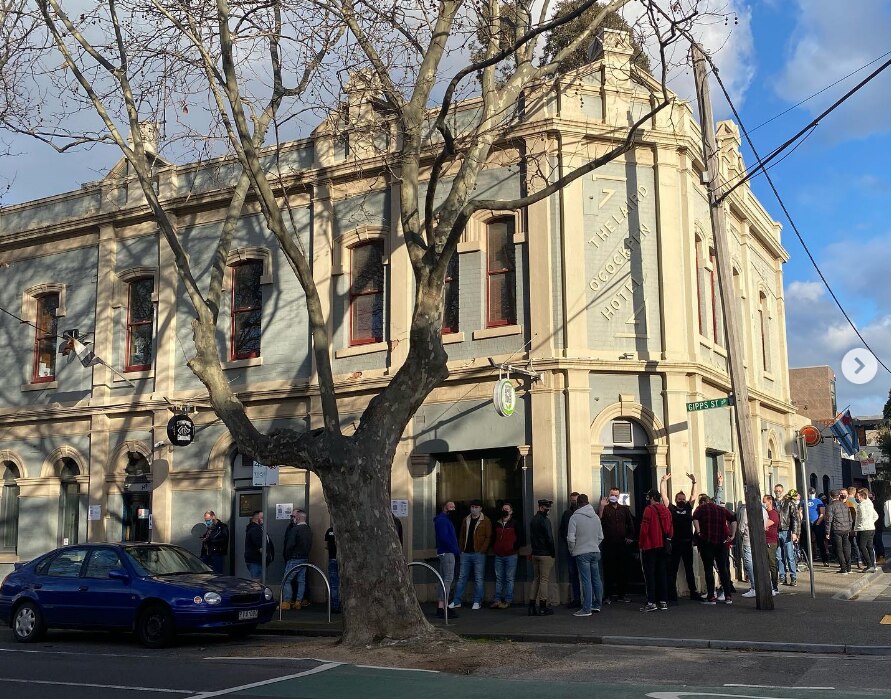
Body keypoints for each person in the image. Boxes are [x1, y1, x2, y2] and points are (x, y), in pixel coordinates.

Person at [659, 472, 701, 602]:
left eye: (683, 499)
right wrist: (663, 482)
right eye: (679, 499)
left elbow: (694, 496)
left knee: (689, 569)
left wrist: (694, 482)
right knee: (673, 570)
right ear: (676, 499)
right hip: (675, 543)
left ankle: (693, 592)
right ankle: (672, 594)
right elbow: (664, 496)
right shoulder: (671, 508)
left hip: (687, 543)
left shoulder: (688, 507)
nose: (682, 500)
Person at [692, 493, 737, 605]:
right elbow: (733, 519)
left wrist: (698, 531)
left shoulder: (701, 508)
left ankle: (711, 596)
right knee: (723, 569)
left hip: (707, 542)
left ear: (703, 502)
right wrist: (732, 535)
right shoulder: (721, 509)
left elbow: (695, 518)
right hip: (721, 543)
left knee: (708, 569)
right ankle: (728, 596)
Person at [449, 499, 492, 611]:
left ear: (480, 508)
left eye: (476, 507)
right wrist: (461, 549)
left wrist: (482, 550)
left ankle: (477, 601)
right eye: (472, 507)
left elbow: (488, 537)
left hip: (478, 553)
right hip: (466, 553)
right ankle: (457, 601)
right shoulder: (466, 519)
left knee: (478, 578)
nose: (474, 509)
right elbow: (462, 535)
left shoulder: (486, 520)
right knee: (461, 578)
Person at [567, 494, 604, 617]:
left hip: (582, 552)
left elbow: (570, 538)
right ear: (587, 502)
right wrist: (594, 545)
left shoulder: (574, 517)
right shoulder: (596, 517)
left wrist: (573, 550)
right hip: (595, 551)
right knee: (596, 579)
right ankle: (597, 604)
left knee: (586, 580)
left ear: (578, 503)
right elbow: (601, 536)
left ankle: (586, 608)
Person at [639, 488, 673, 612]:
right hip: (663, 546)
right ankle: (663, 601)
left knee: (650, 575)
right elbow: (670, 529)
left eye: (648, 497)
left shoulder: (649, 510)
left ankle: (651, 602)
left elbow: (644, 529)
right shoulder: (666, 510)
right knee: (662, 574)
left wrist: (641, 543)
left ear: (652, 498)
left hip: (650, 546)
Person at [599, 486, 635, 603]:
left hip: (622, 544)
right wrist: (601, 507)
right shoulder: (605, 508)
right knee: (609, 570)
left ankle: (622, 595)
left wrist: (630, 536)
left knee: (622, 569)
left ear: (619, 496)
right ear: (609, 495)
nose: (614, 497)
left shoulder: (624, 509)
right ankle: (608, 595)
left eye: (616, 495)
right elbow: (599, 522)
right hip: (609, 544)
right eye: (612, 495)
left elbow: (630, 523)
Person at [491, 501, 523, 608]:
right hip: (498, 555)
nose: (505, 511)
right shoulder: (497, 523)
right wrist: (495, 547)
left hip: (511, 555)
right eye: (503, 509)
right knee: (499, 578)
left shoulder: (515, 523)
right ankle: (497, 600)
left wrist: (513, 547)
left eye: (507, 509)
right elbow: (493, 537)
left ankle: (507, 600)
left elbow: (521, 537)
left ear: (511, 511)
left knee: (509, 578)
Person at [528, 498, 556, 616]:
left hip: (535, 553)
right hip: (545, 554)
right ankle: (543, 606)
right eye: (546, 508)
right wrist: (553, 553)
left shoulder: (533, 520)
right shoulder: (545, 521)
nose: (548, 510)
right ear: (541, 507)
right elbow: (549, 538)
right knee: (544, 580)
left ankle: (531, 606)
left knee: (536, 579)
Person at [737, 499, 770, 597]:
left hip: (748, 539)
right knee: (762, 563)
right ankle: (769, 587)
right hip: (760, 540)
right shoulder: (763, 510)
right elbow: (765, 524)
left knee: (750, 564)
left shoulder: (746, 510)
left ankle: (754, 587)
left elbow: (742, 527)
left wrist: (743, 534)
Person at [281, 509, 312, 610]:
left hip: (294, 557)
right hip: (304, 558)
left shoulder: (295, 529)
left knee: (286, 580)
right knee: (301, 580)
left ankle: (286, 602)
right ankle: (298, 601)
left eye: (294, 517)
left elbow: (290, 545)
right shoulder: (308, 529)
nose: (293, 519)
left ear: (298, 518)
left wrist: (287, 555)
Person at [434, 501, 460, 618]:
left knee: (444, 579)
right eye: (451, 507)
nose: (453, 509)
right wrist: (454, 549)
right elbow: (444, 538)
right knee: (448, 579)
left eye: (454, 507)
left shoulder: (443, 520)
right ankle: (444, 606)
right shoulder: (443, 521)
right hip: (448, 552)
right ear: (445, 508)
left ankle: (441, 606)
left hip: (445, 552)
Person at [772, 484, 801, 586]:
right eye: (776, 490)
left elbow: (795, 518)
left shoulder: (789, 503)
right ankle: (782, 576)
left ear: (783, 490)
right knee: (779, 556)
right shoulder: (772, 503)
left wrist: (795, 533)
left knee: (790, 555)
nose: (778, 492)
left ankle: (793, 577)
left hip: (786, 531)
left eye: (779, 490)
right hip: (776, 531)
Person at [559, 492, 581, 608]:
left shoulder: (582, 514)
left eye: (575, 500)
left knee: (583, 575)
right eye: (572, 500)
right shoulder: (567, 513)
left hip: (582, 548)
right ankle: (576, 599)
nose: (574, 502)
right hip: (570, 549)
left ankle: (585, 599)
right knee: (573, 574)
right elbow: (562, 529)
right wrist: (567, 539)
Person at [825, 489, 854, 575]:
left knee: (839, 549)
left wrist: (827, 532)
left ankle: (843, 568)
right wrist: (849, 528)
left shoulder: (830, 506)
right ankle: (849, 568)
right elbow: (850, 518)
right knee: (846, 548)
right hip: (846, 529)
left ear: (831, 497)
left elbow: (828, 520)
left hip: (837, 529)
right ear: (838, 496)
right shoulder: (845, 505)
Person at [853, 488, 879, 573]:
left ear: (861, 496)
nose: (856, 498)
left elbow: (862, 518)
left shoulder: (861, 505)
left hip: (864, 529)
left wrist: (858, 527)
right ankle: (873, 565)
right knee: (869, 546)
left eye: (857, 496)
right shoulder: (870, 503)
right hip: (871, 528)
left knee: (862, 546)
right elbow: (876, 516)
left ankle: (869, 565)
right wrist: (870, 522)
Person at [244, 510, 273, 581]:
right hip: (256, 561)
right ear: (257, 519)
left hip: (257, 561)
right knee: (256, 582)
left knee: (258, 581)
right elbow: (260, 546)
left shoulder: (258, 528)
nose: (264, 520)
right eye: (262, 518)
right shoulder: (255, 530)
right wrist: (267, 557)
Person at [762, 495, 780, 594]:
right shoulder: (765, 513)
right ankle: (768, 585)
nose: (763, 503)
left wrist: (764, 525)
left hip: (771, 542)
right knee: (765, 564)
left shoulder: (773, 513)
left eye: (764, 501)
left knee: (772, 564)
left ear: (770, 501)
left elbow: (764, 524)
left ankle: (774, 586)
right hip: (764, 541)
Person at [807, 487, 829, 567]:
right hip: (807, 524)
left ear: (815, 493)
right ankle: (808, 560)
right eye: (810, 493)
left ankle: (825, 560)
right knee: (808, 542)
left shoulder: (818, 501)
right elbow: (800, 511)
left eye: (813, 493)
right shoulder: (804, 501)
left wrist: (818, 522)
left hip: (817, 523)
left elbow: (822, 513)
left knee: (820, 542)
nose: (811, 494)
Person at [324, 525, 341, 613]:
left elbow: (326, 545)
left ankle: (334, 606)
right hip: (343, 560)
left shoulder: (330, 531)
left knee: (334, 584)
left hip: (332, 558)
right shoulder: (344, 529)